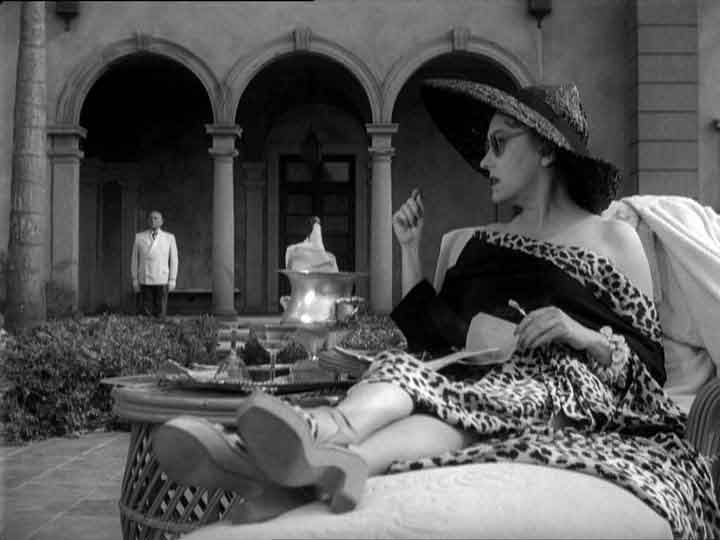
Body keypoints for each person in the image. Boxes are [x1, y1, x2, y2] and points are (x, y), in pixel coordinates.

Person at [151, 80, 719, 536]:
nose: (485, 160)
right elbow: (438, 334)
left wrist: (581, 333)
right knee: (407, 369)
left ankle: (292, 462)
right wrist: (409, 250)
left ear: (547, 150)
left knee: (475, 397)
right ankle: (320, 441)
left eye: (499, 144)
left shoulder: (614, 239)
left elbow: (648, 368)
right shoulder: (482, 244)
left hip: (564, 387)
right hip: (477, 375)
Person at [131, 210, 178, 318]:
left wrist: (172, 279)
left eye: (156, 218)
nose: (153, 220)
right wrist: (135, 279)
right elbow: (134, 260)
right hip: (145, 278)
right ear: (148, 221)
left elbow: (174, 260)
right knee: (146, 313)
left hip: (162, 278)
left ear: (162, 221)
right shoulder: (139, 237)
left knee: (161, 313)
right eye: (151, 218)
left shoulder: (169, 238)